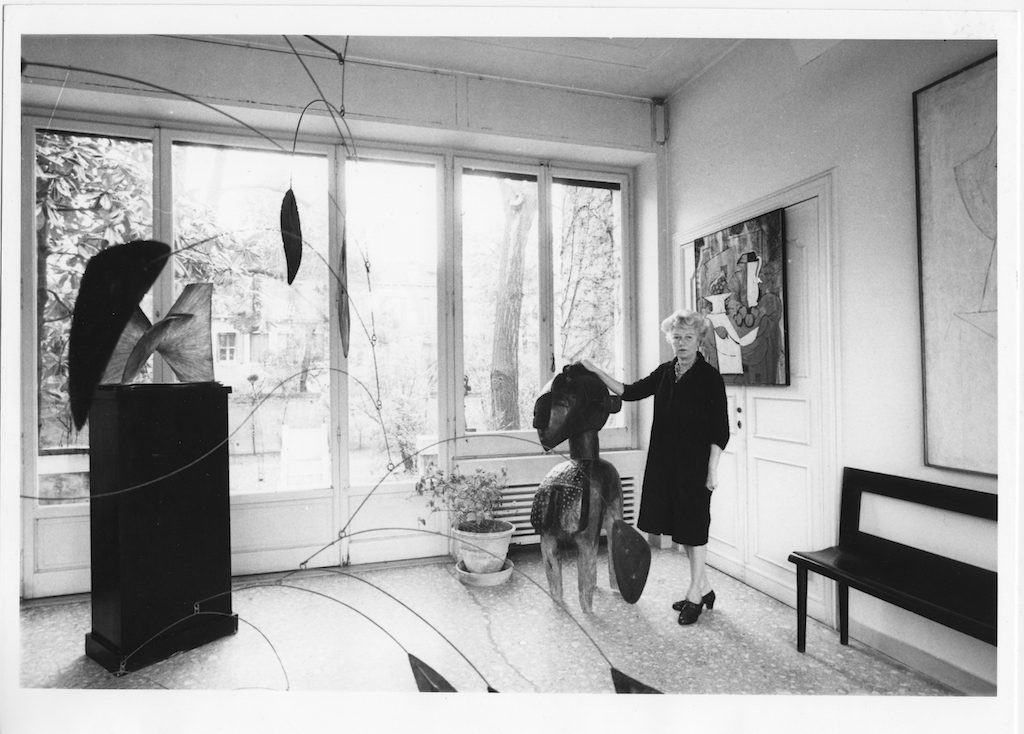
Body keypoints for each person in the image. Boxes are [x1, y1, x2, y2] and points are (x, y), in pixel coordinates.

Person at [581, 308, 729, 625]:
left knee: (695, 527)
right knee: (684, 529)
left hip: (695, 465)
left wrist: (712, 469)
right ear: (670, 340)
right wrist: (595, 371)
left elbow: (721, 430)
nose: (682, 343)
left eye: (688, 337)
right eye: (677, 337)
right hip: (665, 463)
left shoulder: (709, 378)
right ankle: (704, 588)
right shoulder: (665, 372)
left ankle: (694, 595)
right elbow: (629, 391)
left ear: (699, 340)